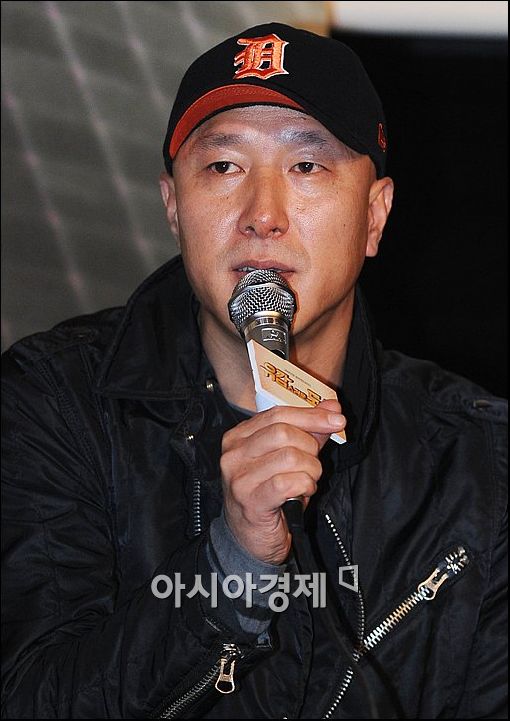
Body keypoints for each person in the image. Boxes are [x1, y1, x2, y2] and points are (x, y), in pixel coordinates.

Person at [1, 22, 507, 720]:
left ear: (375, 216)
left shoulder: (477, 460)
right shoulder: (51, 404)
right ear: (173, 207)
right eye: (223, 167)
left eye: (307, 167)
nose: (263, 215)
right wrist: (231, 567)